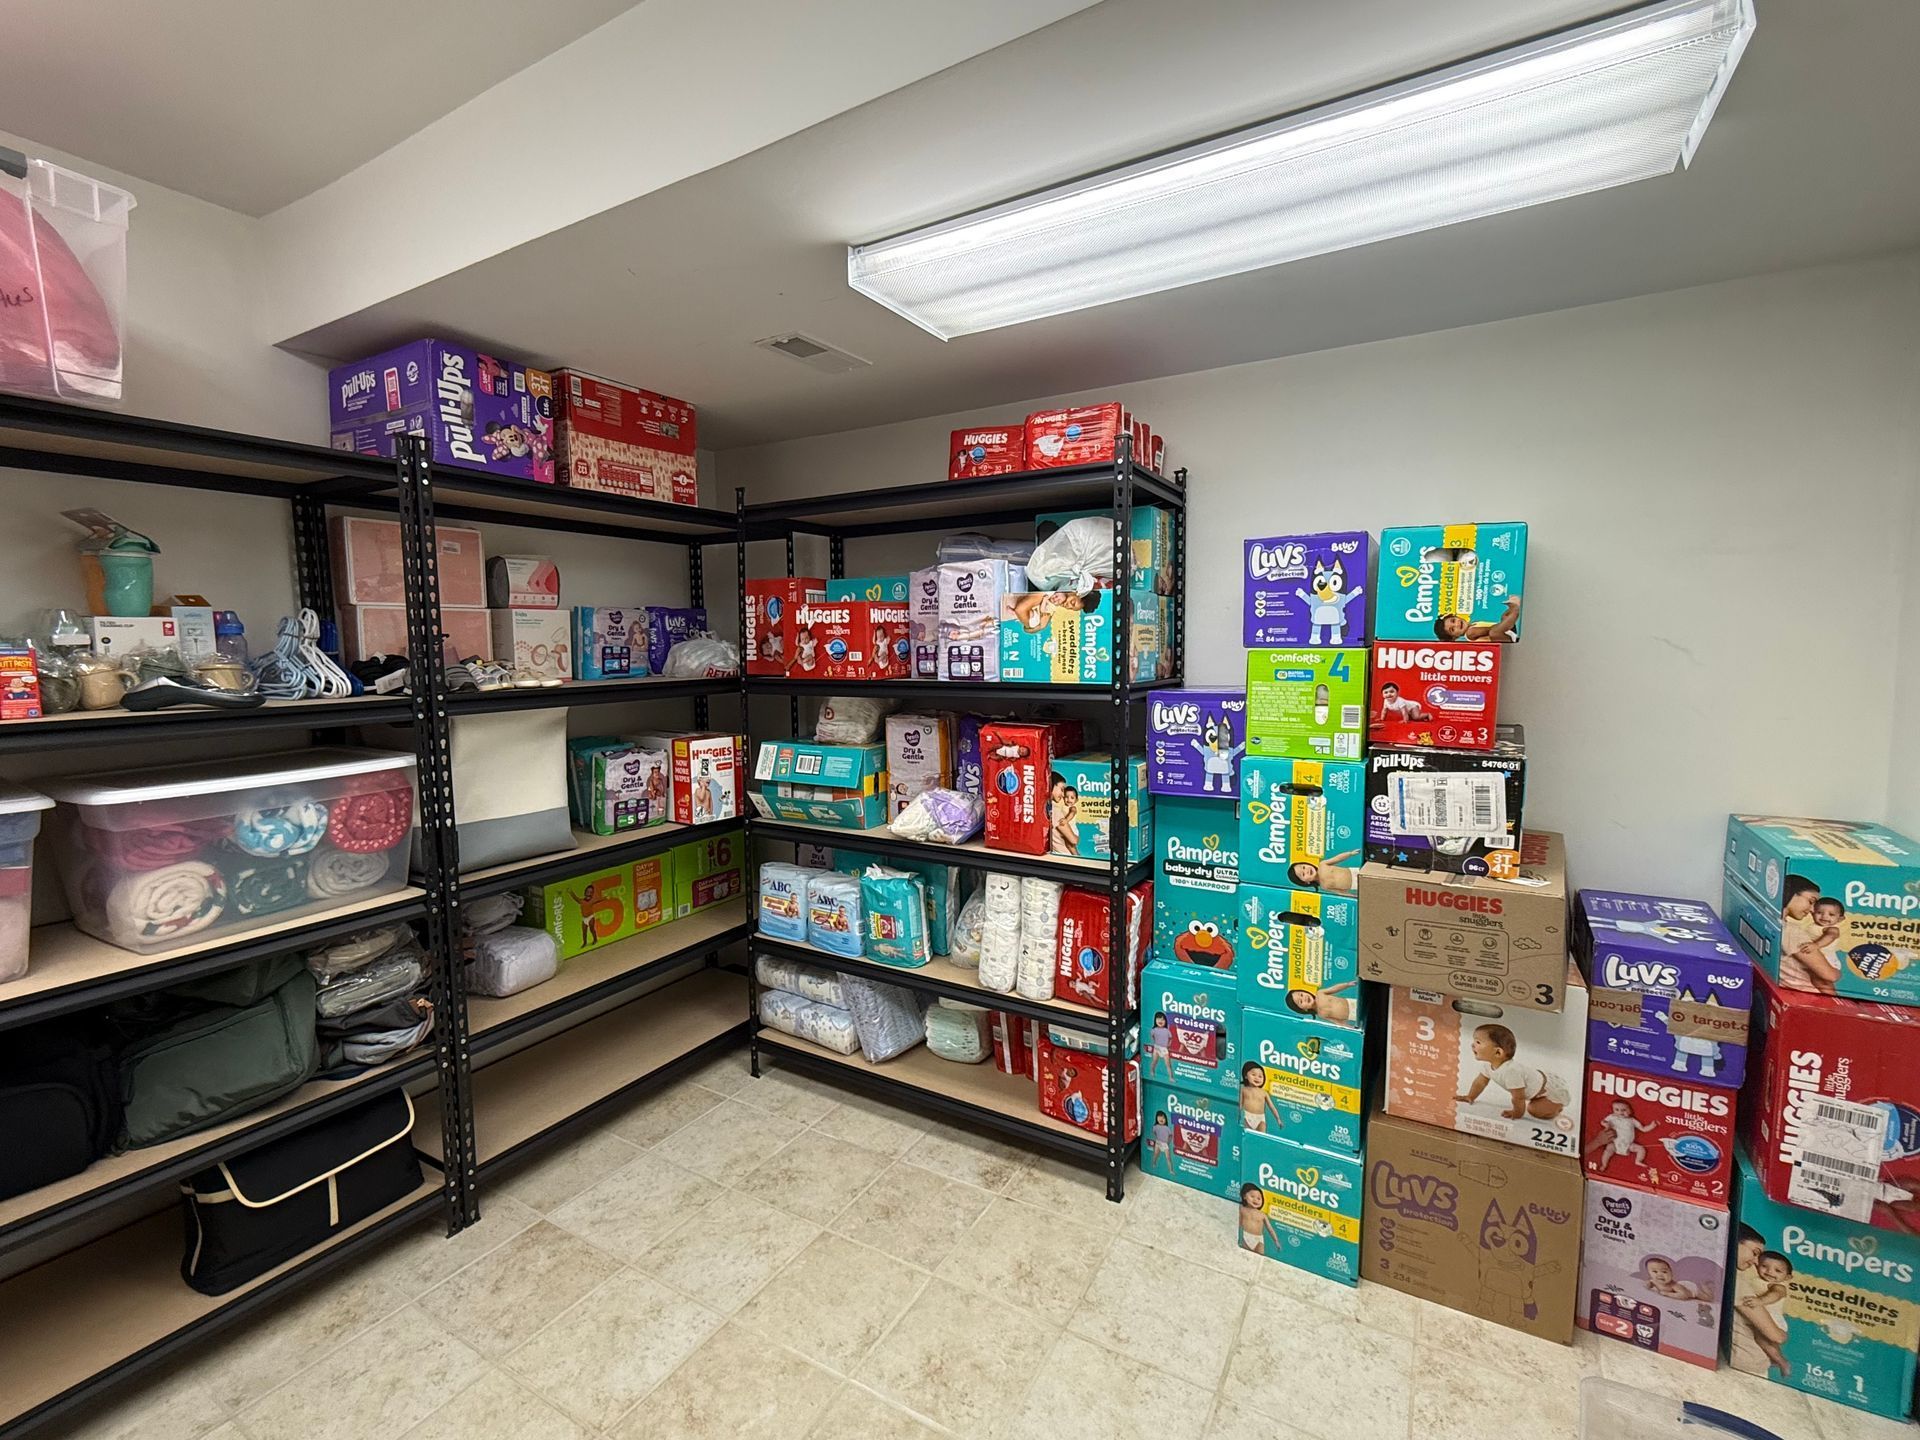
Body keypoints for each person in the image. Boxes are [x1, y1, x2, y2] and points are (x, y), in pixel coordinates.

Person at [1456, 1023, 1569, 1121]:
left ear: (1498, 1053)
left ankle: (1557, 1106)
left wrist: (1517, 1112)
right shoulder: (1488, 1065)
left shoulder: (1511, 1071)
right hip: (1536, 1087)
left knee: (1533, 1110)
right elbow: (1480, 1083)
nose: (1472, 1045)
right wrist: (1470, 1096)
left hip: (1546, 1092)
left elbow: (1518, 1097)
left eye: (1478, 1042)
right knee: (1532, 1105)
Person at [1730, 1235, 1793, 1378]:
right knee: (1762, 1340)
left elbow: (1775, 1295)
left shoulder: (1779, 1286)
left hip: (1774, 1318)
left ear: (1787, 1277)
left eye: (1778, 1271)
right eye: (1764, 1266)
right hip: (1761, 1321)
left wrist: (1760, 1301)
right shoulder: (1754, 1277)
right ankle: (1775, 1359)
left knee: (1762, 1338)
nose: (1770, 1272)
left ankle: (1781, 1361)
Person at [1778, 877, 1842, 991]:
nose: (1813, 909)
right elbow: (1830, 975)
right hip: (1807, 994)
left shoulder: (1771, 921)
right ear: (1791, 893)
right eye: (1811, 901)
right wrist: (1837, 974)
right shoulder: (1791, 931)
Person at [1587, 1099, 1655, 1173]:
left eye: (1624, 1110)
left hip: (1628, 1145)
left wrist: (1652, 1126)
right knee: (1608, 1151)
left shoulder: (1632, 1120)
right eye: (1617, 1110)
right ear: (1613, 1110)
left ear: (1630, 1110)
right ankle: (1604, 1164)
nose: (1620, 1112)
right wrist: (1606, 1124)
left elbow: (1643, 1129)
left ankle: (1638, 1161)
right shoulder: (1612, 1117)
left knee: (1641, 1149)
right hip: (1614, 1143)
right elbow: (1603, 1122)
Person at [1436, 593, 1522, 641]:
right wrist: (1507, 623)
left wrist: (1506, 621)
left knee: (1504, 617)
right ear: (1454, 637)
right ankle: (1515, 609)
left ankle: (1513, 609)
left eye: (1453, 621)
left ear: (1456, 616)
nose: (1457, 625)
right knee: (1494, 633)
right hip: (1504, 637)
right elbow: (1490, 630)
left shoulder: (1473, 625)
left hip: (1506, 632)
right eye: (1453, 629)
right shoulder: (1470, 633)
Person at [1288, 850, 1361, 893]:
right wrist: (1353, 896)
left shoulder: (1322, 865)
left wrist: (1350, 854)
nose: (1306, 870)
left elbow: (1337, 858)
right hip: (1355, 886)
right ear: (1306, 882)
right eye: (1303, 874)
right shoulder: (1324, 886)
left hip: (1355, 872)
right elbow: (1340, 891)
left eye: (1304, 867)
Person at [1287, 980, 1357, 1023]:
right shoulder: (1321, 1014)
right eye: (1301, 1001)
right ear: (1304, 1010)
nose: (1304, 998)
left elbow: (1334, 988)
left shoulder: (1320, 994)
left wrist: (1347, 984)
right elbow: (1336, 1021)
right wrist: (1348, 1027)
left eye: (1301, 994)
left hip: (1352, 1003)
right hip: (1352, 1016)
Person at [1240, 1061, 1279, 1134]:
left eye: (1260, 1076)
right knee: (1247, 1135)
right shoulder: (1244, 1090)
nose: (1257, 1078)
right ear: (1245, 1076)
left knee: (1261, 1137)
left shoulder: (1264, 1093)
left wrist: (1278, 1119)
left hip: (1260, 1118)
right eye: (1253, 1074)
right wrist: (1237, 1114)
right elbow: (1240, 1104)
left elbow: (1272, 1107)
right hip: (1247, 1116)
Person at [1238, 1183, 1273, 1253]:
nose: (1256, 1200)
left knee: (1260, 1255)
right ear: (1244, 1196)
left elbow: (1270, 1229)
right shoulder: (1242, 1209)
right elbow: (1239, 1223)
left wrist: (1276, 1241)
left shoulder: (1262, 1215)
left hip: (1259, 1239)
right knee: (1245, 1254)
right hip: (1246, 1236)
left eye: (1259, 1198)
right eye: (1252, 1196)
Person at [1147, 1011, 1174, 1081]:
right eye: (1158, 1019)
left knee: (1168, 1064)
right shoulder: (1154, 1030)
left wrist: (1169, 1045)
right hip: (1157, 1048)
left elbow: (1171, 1038)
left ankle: (1171, 1077)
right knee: (1154, 1061)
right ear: (1155, 1020)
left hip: (1164, 1049)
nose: (1160, 1021)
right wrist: (1154, 1042)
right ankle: (1152, 1071)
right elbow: (1151, 1036)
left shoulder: (1167, 1031)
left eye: (1162, 1019)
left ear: (1165, 1021)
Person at [1146, 1110, 1174, 1175]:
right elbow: (1154, 1132)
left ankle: (1171, 1170)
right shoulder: (1155, 1127)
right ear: (1157, 1118)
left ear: (1166, 1119)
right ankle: (1153, 1163)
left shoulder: (1167, 1128)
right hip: (1158, 1142)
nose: (1161, 1119)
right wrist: (1156, 1138)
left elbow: (1170, 1135)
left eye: (1163, 1118)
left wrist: (1168, 1142)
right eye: (1159, 1117)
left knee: (1168, 1158)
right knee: (1156, 1154)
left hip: (1165, 1144)